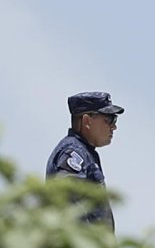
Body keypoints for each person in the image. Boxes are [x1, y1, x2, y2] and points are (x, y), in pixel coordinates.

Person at [45, 91, 124, 233]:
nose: (114, 127)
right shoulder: (73, 151)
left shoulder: (85, 152)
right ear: (87, 121)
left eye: (115, 120)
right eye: (109, 119)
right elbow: (66, 195)